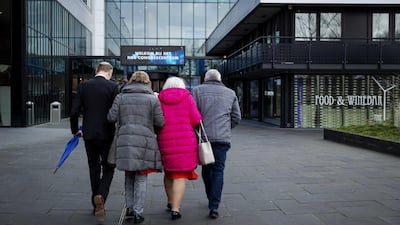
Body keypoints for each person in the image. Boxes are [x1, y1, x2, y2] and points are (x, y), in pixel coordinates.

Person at [107, 71, 164, 224]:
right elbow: (160, 122)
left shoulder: (121, 97)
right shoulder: (153, 99)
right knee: (141, 178)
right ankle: (138, 212)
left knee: (129, 175)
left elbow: (111, 117)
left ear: (131, 81)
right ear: (147, 82)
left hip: (125, 139)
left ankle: (129, 208)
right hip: (145, 141)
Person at [69, 61, 119, 220]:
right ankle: (101, 196)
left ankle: (95, 202)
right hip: (107, 133)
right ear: (109, 72)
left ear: (96, 70)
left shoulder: (84, 86)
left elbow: (74, 112)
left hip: (89, 133)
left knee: (93, 167)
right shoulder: (113, 87)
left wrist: (75, 130)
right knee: (109, 166)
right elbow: (114, 112)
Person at [191, 69, 241, 219]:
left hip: (203, 139)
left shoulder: (197, 91)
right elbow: (236, 117)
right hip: (222, 138)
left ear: (205, 78)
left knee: (207, 169)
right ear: (220, 79)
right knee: (219, 170)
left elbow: (192, 115)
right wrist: (226, 127)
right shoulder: (230, 93)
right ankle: (214, 206)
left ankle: (210, 197)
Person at [157, 77, 202, 220]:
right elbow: (196, 119)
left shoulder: (159, 99)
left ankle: (170, 202)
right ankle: (175, 209)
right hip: (185, 140)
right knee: (180, 175)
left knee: (169, 172)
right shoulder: (187, 98)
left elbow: (156, 120)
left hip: (165, 138)